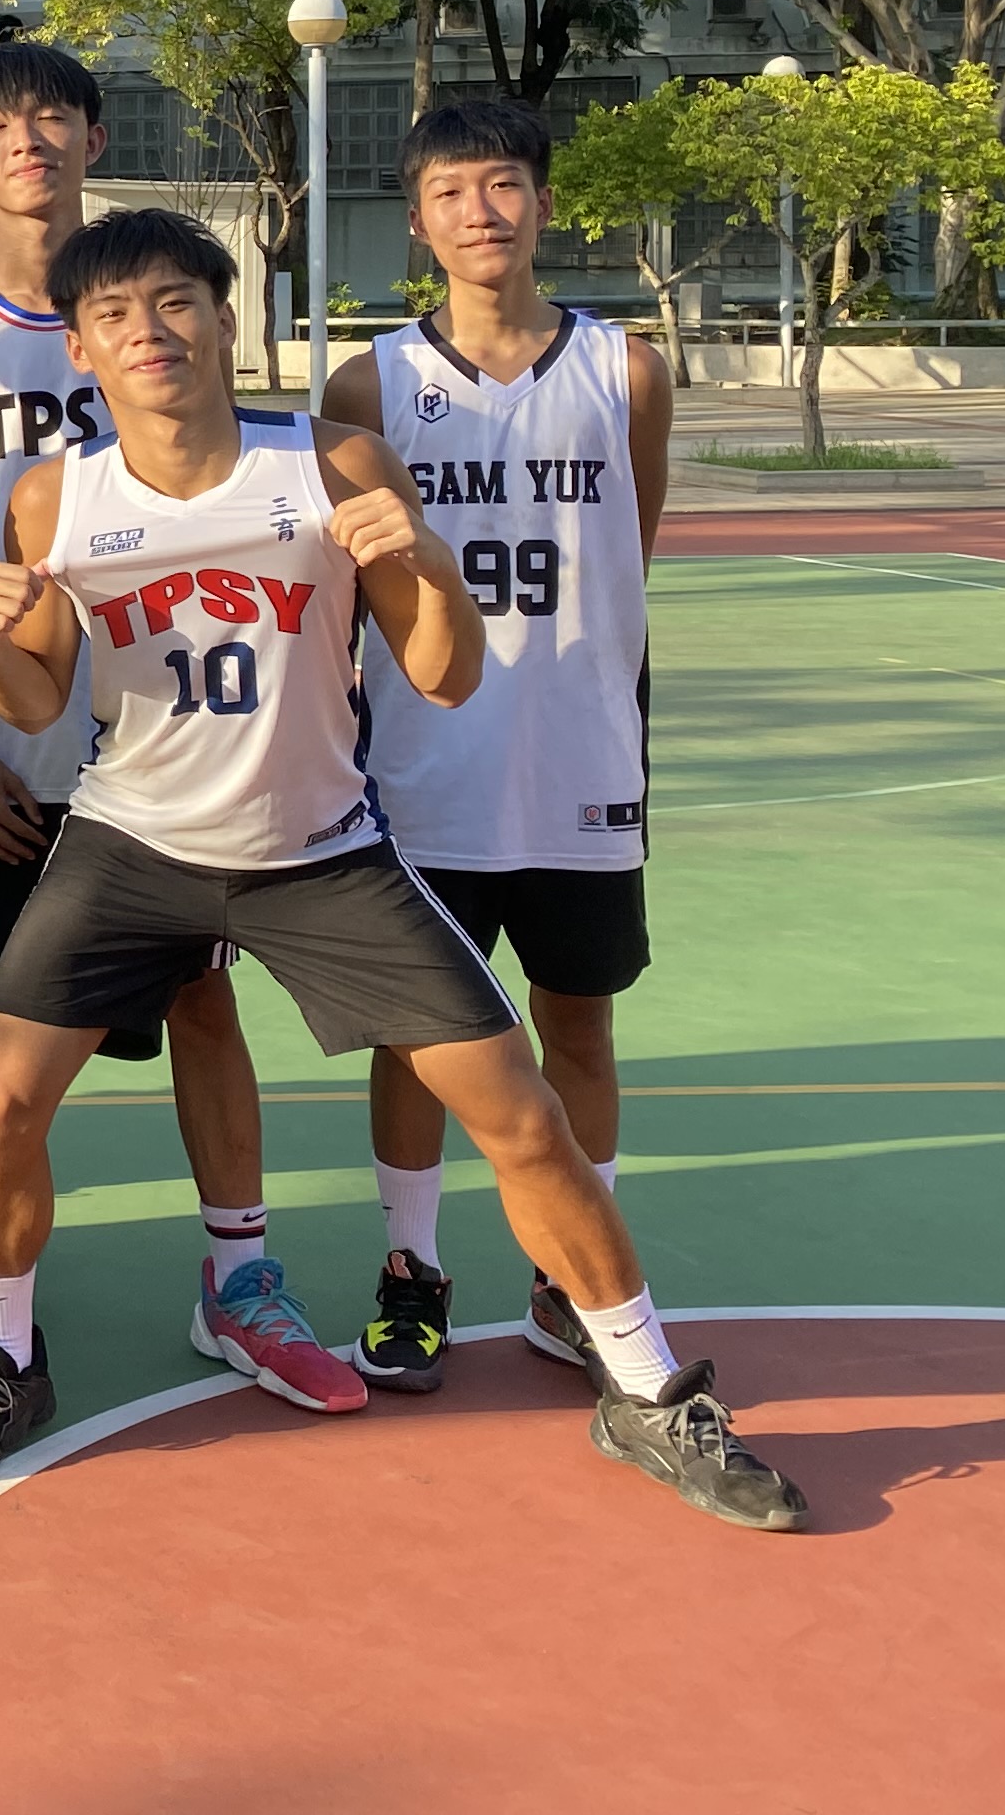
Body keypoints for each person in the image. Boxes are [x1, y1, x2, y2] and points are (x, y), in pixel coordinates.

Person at [0, 208, 804, 1530]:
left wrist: (430, 567)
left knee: (520, 1113)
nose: (149, 332)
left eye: (176, 302)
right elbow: (38, 700)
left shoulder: (331, 463)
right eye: (113, 315)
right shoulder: (58, 496)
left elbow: (441, 675)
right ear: (84, 353)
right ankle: (2, 1362)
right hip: (132, 844)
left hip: (320, 850)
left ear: (225, 321)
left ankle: (647, 1388)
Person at [0, 44, 334, 1415]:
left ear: (91, 136)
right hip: (7, 736)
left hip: (172, 738)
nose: (30, 141)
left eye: (54, 117)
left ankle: (240, 1280)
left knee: (201, 997)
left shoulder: (156, 299)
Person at [324, 96, 674, 1394]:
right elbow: (356, 591)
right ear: (417, 221)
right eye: (453, 191)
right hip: (426, 764)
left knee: (577, 1018)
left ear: (543, 202)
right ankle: (411, 1267)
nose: (483, 211)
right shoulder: (370, 385)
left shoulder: (627, 372)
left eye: (505, 183)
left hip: (581, 759)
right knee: (417, 1033)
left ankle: (572, 1276)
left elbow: (629, 556)